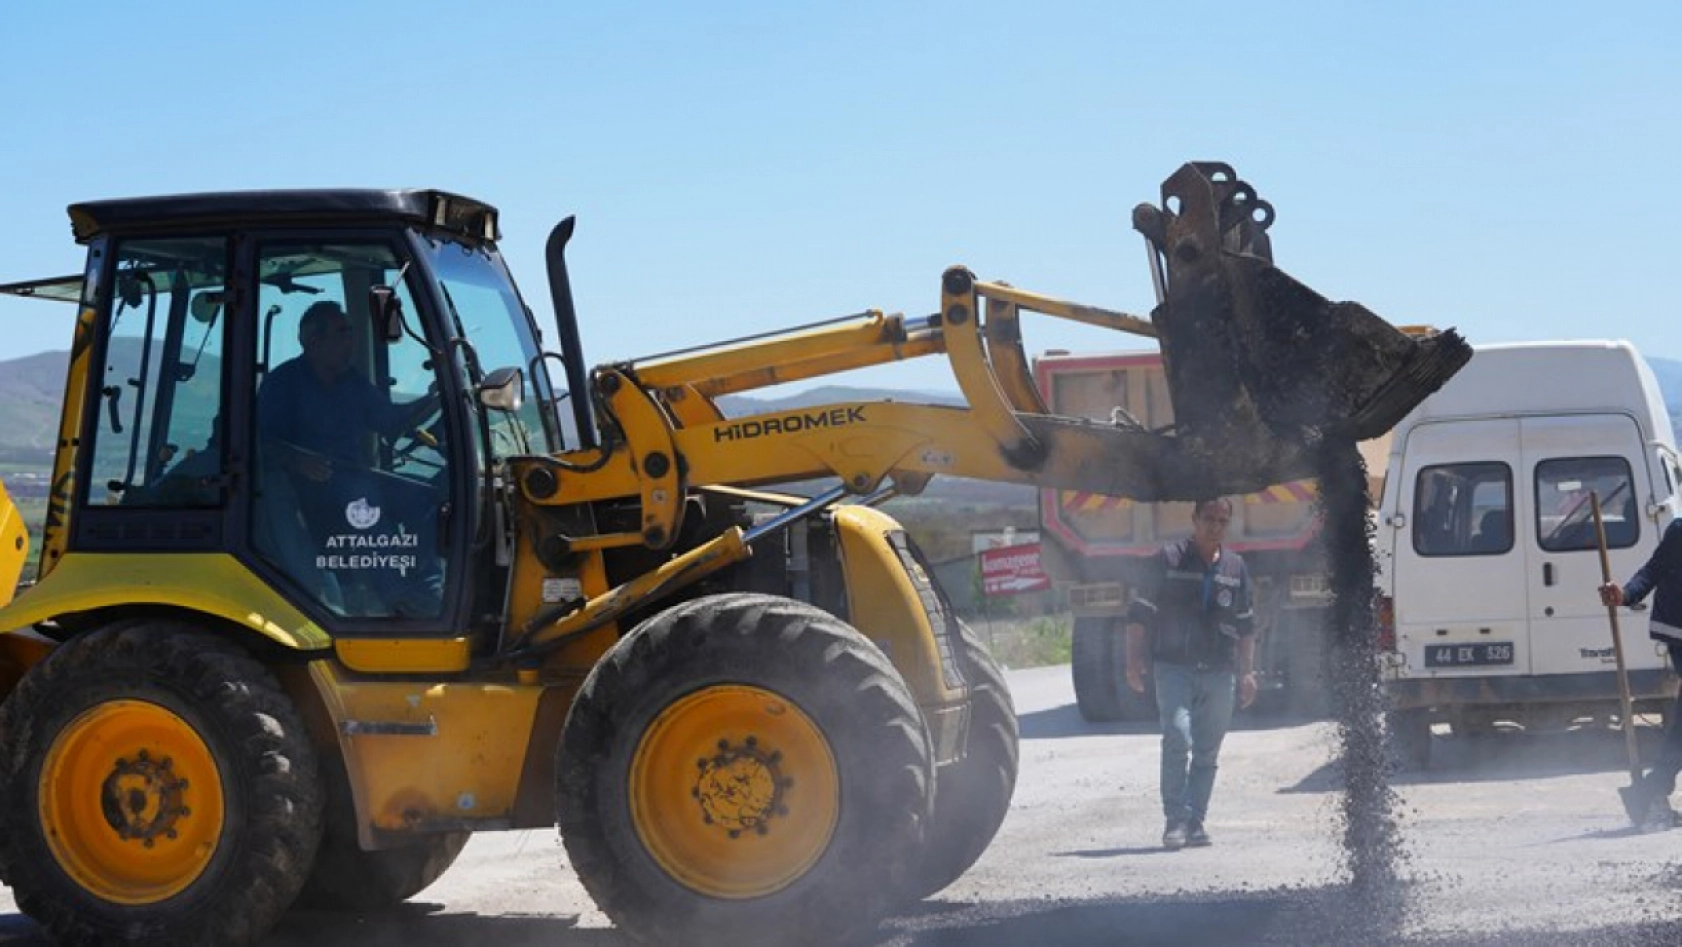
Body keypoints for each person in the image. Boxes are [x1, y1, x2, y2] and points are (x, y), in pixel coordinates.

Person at [257, 300, 443, 616]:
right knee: (363, 499)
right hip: (304, 487)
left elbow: (392, 421)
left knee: (422, 495)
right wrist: (296, 461)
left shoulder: (352, 382)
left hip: (354, 476)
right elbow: (259, 440)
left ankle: (427, 591)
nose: (351, 341)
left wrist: (434, 398)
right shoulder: (283, 384)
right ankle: (395, 597)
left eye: (351, 332)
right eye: (342, 333)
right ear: (313, 341)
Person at [1124, 497, 1258, 850]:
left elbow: (1246, 625)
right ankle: (1175, 820)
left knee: (1207, 751)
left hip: (1219, 671)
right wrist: (1133, 659)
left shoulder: (1235, 568)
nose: (1215, 526)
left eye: (1222, 521)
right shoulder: (1168, 560)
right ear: (1194, 519)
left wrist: (1247, 673)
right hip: (1173, 667)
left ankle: (1195, 821)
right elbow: (1139, 614)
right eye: (1209, 518)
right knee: (1178, 736)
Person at [1599, 515, 1682, 829]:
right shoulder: (1680, 531)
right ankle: (1650, 792)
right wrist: (1624, 595)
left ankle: (1649, 793)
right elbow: (1653, 570)